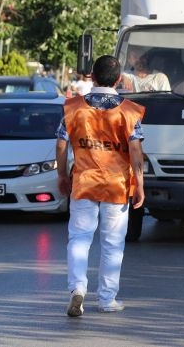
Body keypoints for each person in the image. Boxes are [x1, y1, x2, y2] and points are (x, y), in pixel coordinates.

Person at [55, 55, 146, 317]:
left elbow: (61, 143)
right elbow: (135, 150)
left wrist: (62, 175)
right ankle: (107, 299)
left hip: (83, 183)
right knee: (112, 244)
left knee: (79, 238)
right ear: (119, 79)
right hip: (116, 186)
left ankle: (77, 290)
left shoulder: (73, 108)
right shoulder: (129, 111)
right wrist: (139, 184)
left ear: (91, 76)